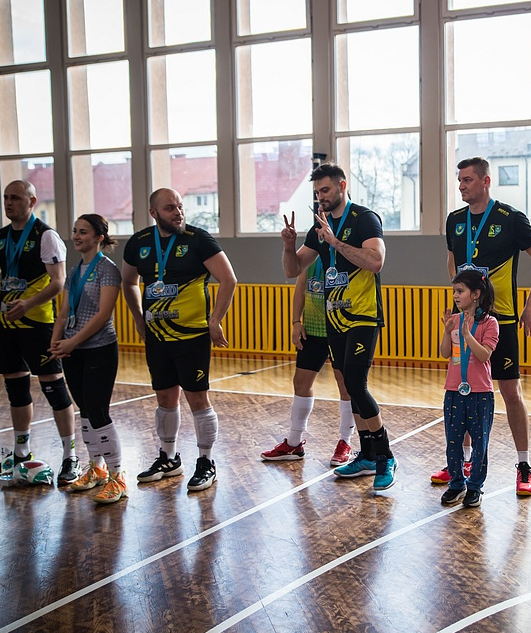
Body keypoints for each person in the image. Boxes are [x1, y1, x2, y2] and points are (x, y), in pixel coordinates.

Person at [0, 180, 79, 484]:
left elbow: (58, 282)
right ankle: (21, 453)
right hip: (7, 325)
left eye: (16, 198)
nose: (9, 203)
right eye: (6, 197)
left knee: (54, 388)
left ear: (32, 201)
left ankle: (70, 456)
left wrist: (28, 304)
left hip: (38, 325)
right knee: (16, 390)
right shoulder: (0, 237)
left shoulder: (45, 236)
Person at [281, 163, 396, 491]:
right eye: (317, 192)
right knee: (351, 387)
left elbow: (375, 261)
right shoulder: (319, 226)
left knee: (356, 385)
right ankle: (367, 455)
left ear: (342, 186)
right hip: (334, 319)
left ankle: (385, 456)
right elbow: (293, 269)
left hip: (362, 316)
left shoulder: (364, 219)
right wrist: (289, 245)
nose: (321, 197)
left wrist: (335, 242)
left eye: (326, 190)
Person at [443, 157, 531, 497]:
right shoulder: (454, 220)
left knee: (510, 392)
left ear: (486, 181)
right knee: (464, 390)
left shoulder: (510, 219)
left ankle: (524, 465)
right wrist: (459, 300)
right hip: (465, 322)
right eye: (460, 180)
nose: (462, 185)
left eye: (468, 180)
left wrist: (530, 305)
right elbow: (452, 260)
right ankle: (462, 462)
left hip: (499, 320)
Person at [122, 188, 238, 492]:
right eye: (170, 208)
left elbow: (229, 279)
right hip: (157, 336)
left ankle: (206, 461)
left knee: (197, 398)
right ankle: (169, 458)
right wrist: (138, 317)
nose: (178, 212)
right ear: (154, 213)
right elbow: (128, 281)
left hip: (192, 335)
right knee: (164, 398)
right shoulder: (139, 243)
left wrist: (215, 320)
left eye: (180, 207)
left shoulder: (198, 239)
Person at [49, 214, 127, 504]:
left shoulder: (108, 270)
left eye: (83, 232)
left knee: (98, 411)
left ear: (99, 238)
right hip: (73, 350)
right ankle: (97, 468)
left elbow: (103, 314)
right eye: (75, 231)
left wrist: (73, 340)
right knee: (84, 411)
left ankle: (118, 476)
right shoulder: (73, 272)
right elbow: (63, 311)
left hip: (99, 348)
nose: (76, 236)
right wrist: (56, 341)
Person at [260, 260, 356, 465]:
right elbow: (300, 287)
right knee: (301, 383)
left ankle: (345, 442)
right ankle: (294, 442)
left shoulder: (348, 251)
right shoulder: (311, 252)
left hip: (341, 328)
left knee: (346, 385)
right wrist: (296, 322)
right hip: (313, 329)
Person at [439, 269, 499, 508]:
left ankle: (475, 486)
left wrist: (467, 335)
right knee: (453, 441)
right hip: (454, 391)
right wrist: (447, 332)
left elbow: (484, 355)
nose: (455, 295)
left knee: (479, 443)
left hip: (480, 393)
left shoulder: (490, 323)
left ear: (475, 294)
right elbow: (445, 353)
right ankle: (456, 484)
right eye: (454, 291)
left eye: (460, 291)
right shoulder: (454, 320)